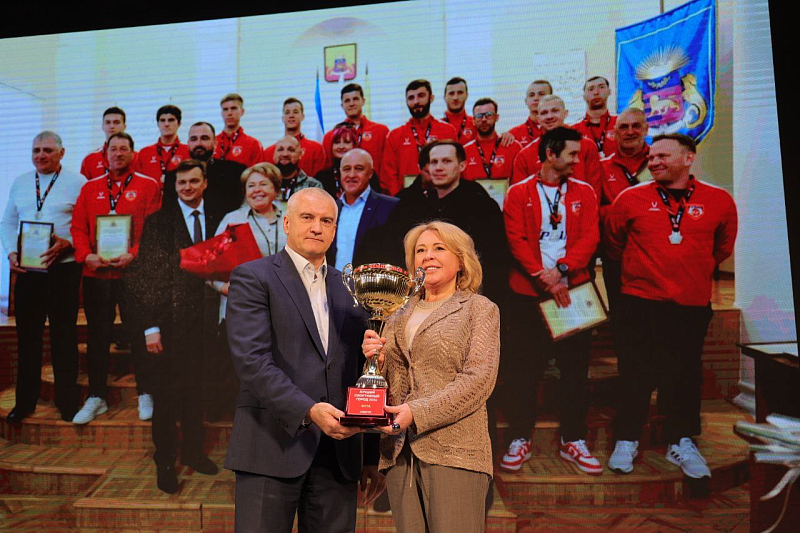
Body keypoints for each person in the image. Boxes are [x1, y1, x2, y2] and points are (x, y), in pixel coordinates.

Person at [224, 187, 384, 532]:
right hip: (271, 446)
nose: (316, 227)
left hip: (338, 454)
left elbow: (364, 371)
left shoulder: (352, 287)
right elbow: (252, 361)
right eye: (307, 217)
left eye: (326, 221)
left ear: (334, 229)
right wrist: (309, 410)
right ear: (286, 223)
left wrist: (371, 455)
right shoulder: (253, 277)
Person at [604, 134, 738, 479]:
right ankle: (627, 438)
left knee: (685, 374)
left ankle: (681, 440)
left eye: (663, 156)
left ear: (688, 158)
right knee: (635, 373)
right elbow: (614, 244)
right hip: (640, 303)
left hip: (690, 305)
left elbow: (722, 248)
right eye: (651, 157)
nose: (654, 162)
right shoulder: (630, 198)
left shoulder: (719, 200)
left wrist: (687, 267)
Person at [362, 220, 500, 533]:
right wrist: (376, 363)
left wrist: (416, 413)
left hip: (456, 452)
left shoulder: (479, 309)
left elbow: (478, 380)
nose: (427, 256)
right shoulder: (396, 312)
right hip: (399, 453)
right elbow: (389, 383)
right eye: (420, 250)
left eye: (439, 248)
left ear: (461, 260)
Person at [500, 127, 601, 475]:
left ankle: (574, 438)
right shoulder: (518, 192)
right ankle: (520, 436)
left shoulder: (585, 191)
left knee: (575, 370)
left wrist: (561, 271)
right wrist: (543, 277)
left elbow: (590, 237)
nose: (577, 160)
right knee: (524, 369)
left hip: (572, 293)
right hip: (528, 294)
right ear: (550, 154)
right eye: (572, 154)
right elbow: (515, 239)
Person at [125, 159, 223, 493]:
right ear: (175, 187)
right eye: (181, 183)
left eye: (194, 181)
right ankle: (165, 460)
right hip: (168, 324)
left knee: (197, 393)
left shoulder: (219, 218)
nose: (187, 188)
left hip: (207, 323)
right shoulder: (159, 221)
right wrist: (150, 327)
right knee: (166, 397)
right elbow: (147, 276)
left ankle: (194, 452)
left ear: (204, 183)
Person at [70, 132, 161, 424]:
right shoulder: (90, 188)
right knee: (97, 336)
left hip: (133, 273)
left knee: (138, 332)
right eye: (113, 149)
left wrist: (134, 254)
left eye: (124, 148)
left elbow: (154, 229)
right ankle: (96, 396)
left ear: (133, 153)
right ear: (105, 154)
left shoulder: (148, 185)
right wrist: (86, 255)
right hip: (96, 273)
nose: (118, 153)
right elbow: (78, 227)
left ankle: (146, 391)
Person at [1, 131, 84, 423]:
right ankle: (25, 401)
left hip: (64, 270)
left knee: (64, 336)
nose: (41, 155)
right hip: (28, 272)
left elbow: (85, 225)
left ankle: (67, 401)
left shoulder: (78, 183)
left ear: (62, 153)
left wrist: (69, 243)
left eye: (47, 150)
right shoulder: (21, 182)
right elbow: (8, 222)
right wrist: (11, 252)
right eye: (36, 150)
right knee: (28, 338)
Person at [372, 140, 508, 305]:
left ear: (462, 165)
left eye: (446, 161)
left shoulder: (481, 205)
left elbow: (495, 261)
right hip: (424, 298)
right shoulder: (416, 205)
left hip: (469, 298)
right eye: (434, 162)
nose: (438, 167)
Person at [599, 108, 650, 317]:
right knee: (621, 315)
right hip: (616, 256)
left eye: (636, 126)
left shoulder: (660, 163)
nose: (630, 132)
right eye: (624, 127)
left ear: (646, 129)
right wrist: (626, 213)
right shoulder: (602, 167)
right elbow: (593, 210)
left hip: (654, 256)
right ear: (614, 133)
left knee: (654, 317)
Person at [512, 95, 604, 194]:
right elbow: (520, 194)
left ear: (565, 114)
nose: (549, 116)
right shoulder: (525, 155)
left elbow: (594, 190)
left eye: (555, 111)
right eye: (544, 113)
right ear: (538, 119)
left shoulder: (587, 146)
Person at [381, 79, 458, 196]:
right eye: (411, 98)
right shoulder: (395, 135)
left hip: (443, 197)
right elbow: (389, 175)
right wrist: (400, 200)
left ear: (431, 98)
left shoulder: (447, 130)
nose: (416, 101)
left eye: (421, 96)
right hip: (407, 200)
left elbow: (454, 168)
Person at [326, 148, 399, 270]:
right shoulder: (331, 208)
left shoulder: (390, 207)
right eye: (346, 169)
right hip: (333, 281)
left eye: (359, 169)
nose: (351, 175)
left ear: (370, 173)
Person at [163, 121, 247, 215]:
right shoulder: (173, 177)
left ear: (215, 143)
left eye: (204, 138)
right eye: (194, 139)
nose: (198, 143)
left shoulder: (235, 172)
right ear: (188, 144)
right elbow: (170, 215)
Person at [322, 83, 390, 172]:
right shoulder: (330, 137)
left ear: (363, 101)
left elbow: (388, 166)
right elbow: (328, 169)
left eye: (355, 99)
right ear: (342, 105)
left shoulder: (381, 131)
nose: (351, 104)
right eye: (347, 101)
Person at [262, 98, 326, 177]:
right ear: (282, 118)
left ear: (302, 116)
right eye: (287, 112)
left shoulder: (316, 149)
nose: (291, 116)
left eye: (295, 112)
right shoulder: (269, 152)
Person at [462, 98, 522, 181]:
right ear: (473, 121)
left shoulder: (513, 147)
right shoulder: (464, 151)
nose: (484, 119)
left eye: (489, 114)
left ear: (496, 117)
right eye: (479, 116)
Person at [316, 124, 380, 197]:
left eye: (347, 142)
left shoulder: (366, 172)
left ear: (354, 145)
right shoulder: (323, 176)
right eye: (337, 143)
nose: (341, 147)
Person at [134, 104, 190, 183]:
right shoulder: (145, 152)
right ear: (158, 124)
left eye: (171, 120)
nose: (166, 124)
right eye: (162, 120)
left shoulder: (188, 151)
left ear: (179, 123)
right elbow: (137, 181)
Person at [80, 107, 135, 180]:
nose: (112, 126)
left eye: (116, 122)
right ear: (103, 126)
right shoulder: (90, 159)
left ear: (124, 126)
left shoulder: (137, 158)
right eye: (108, 122)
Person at [571, 76, 617, 158]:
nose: (596, 92)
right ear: (584, 96)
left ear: (609, 92)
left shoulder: (621, 123)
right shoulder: (573, 129)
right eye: (591, 89)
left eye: (601, 87)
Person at [214, 93, 264, 167]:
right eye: (225, 109)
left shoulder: (253, 144)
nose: (229, 113)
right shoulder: (213, 142)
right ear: (222, 113)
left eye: (233, 108)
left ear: (242, 111)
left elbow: (258, 171)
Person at [269, 135, 324, 201]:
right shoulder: (264, 185)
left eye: (291, 150)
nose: (285, 154)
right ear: (274, 155)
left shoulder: (313, 186)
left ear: (300, 154)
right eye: (280, 150)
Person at [507, 80, 552, 147]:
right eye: (531, 95)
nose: (536, 98)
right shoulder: (513, 135)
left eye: (541, 94)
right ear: (526, 101)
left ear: (551, 98)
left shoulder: (563, 131)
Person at [442, 77, 476, 145]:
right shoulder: (435, 126)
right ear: (445, 98)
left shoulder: (476, 124)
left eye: (460, 93)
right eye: (451, 93)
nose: (455, 98)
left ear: (466, 96)